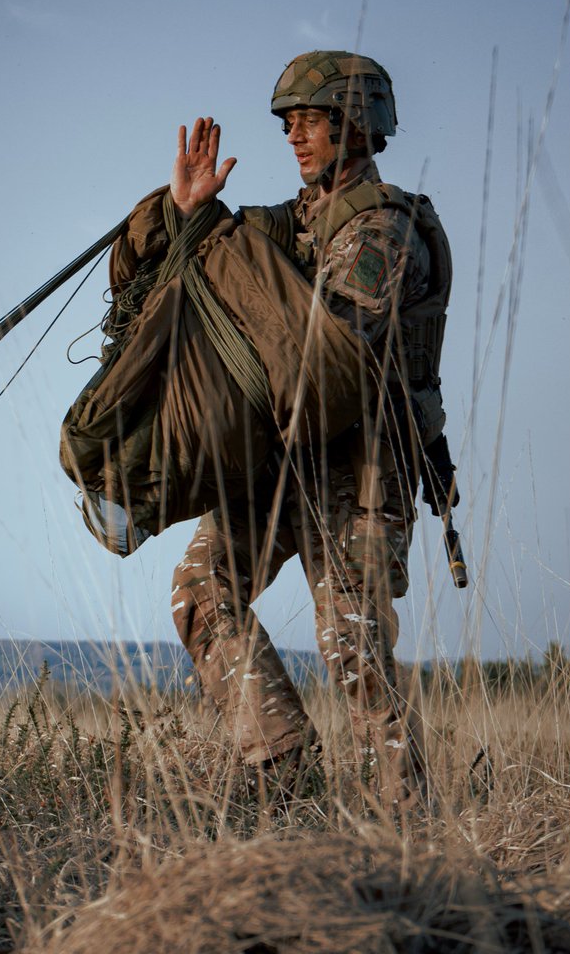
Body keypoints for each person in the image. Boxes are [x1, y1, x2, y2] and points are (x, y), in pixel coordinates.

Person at [161, 51, 453, 808]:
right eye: (288, 124)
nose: (294, 137)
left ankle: (406, 831)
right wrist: (190, 215)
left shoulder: (385, 228)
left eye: (310, 121)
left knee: (354, 651)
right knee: (200, 590)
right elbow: (231, 260)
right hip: (281, 458)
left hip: (360, 462)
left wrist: (235, 263)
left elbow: (334, 352)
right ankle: (283, 764)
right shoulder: (294, 223)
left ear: (356, 125)